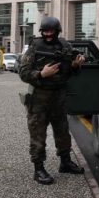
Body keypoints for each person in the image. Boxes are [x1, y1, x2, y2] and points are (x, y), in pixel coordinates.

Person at [19, 16, 86, 185]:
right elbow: (23, 72)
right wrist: (41, 74)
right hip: (39, 98)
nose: (48, 34)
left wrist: (76, 65)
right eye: (45, 31)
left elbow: (69, 72)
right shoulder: (34, 47)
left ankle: (65, 162)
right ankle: (38, 169)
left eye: (51, 31)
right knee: (38, 134)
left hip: (59, 97)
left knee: (63, 131)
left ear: (57, 31)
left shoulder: (65, 46)